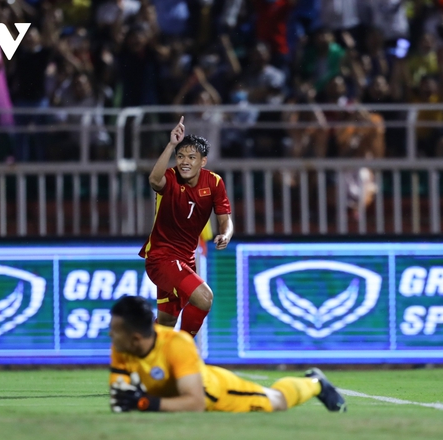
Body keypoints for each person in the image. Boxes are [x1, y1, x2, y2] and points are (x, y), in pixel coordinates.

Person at [108, 295, 347, 413]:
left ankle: (315, 383)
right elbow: (119, 398)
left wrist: (145, 402)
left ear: (136, 337)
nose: (111, 335)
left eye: (115, 331)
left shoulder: (176, 343)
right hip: (182, 387)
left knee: (277, 401)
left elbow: (196, 403)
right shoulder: (122, 346)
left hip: (216, 392)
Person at [139, 117, 233, 337]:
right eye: (180, 156)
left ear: (203, 161)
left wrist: (225, 234)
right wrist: (171, 144)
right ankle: (186, 350)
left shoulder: (214, 183)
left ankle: (140, 357)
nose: (184, 162)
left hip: (185, 260)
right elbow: (154, 180)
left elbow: (224, 218)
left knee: (165, 324)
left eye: (192, 157)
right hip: (161, 258)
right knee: (204, 298)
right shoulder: (170, 178)